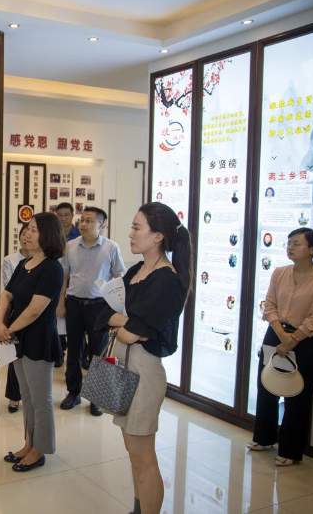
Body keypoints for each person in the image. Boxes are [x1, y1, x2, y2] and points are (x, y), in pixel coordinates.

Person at [96, 202, 192, 514]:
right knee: (132, 450)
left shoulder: (166, 279)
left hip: (144, 370)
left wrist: (125, 325)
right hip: (125, 364)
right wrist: (128, 324)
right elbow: (104, 312)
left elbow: (128, 331)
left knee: (143, 456)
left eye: (137, 228)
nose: (131, 233)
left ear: (158, 236)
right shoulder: (137, 270)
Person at [249, 228, 313, 466]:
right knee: (267, 386)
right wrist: (281, 335)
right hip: (276, 333)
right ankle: (263, 437)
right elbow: (269, 305)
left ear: (312, 250)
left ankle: (290, 450)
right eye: (289, 243)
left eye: (297, 244)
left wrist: (292, 339)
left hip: (306, 339)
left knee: (298, 393)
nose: (290, 247)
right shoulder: (280, 272)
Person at [0, 213, 65, 472]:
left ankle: (39, 450)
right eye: (27, 229)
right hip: (17, 337)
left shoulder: (52, 268)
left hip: (38, 339)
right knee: (26, 395)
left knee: (40, 399)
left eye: (34, 230)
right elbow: (6, 295)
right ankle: (28, 443)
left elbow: (35, 310)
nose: (27, 234)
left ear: (48, 235)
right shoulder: (24, 264)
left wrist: (8, 330)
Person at [58, 207, 125, 415]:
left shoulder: (111, 247)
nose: (83, 224)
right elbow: (65, 277)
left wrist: (117, 309)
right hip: (74, 304)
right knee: (74, 350)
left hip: (99, 307)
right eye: (82, 220)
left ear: (101, 226)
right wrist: (61, 304)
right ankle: (74, 392)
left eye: (89, 221)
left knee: (98, 352)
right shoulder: (70, 246)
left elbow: (118, 278)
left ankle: (96, 397)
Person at [1, 224, 31, 413]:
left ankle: (30, 395)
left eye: (32, 233)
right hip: (17, 312)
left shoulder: (47, 263)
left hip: (37, 315)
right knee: (15, 356)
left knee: (33, 359)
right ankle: (14, 396)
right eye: (24, 233)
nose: (27, 237)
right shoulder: (11, 260)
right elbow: (9, 288)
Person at [54, 202, 79, 367]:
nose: (63, 218)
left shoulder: (79, 235)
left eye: (66, 215)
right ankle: (59, 350)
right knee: (57, 316)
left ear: (72, 215)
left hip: (73, 280)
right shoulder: (53, 234)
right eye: (60, 215)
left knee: (74, 320)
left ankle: (79, 353)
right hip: (56, 277)